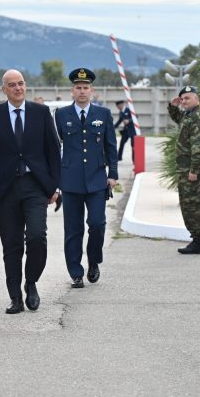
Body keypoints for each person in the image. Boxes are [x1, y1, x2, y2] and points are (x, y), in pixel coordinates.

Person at [0, 69, 61, 314]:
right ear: (4, 89)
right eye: (12, 85)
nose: (17, 88)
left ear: (26, 86)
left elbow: (53, 152)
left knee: (36, 237)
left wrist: (55, 186)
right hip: (5, 189)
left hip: (35, 186)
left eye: (21, 83)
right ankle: (15, 298)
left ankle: (31, 282)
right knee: (11, 246)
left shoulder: (41, 113)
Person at [55, 68, 118, 288]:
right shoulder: (61, 115)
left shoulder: (103, 114)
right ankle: (76, 272)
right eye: (78, 88)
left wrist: (113, 174)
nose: (82, 91)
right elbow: (56, 148)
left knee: (97, 224)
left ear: (92, 90)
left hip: (96, 179)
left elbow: (111, 145)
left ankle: (93, 261)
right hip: (70, 181)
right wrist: (56, 181)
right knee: (73, 229)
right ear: (72, 91)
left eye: (86, 87)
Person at [168, 86, 200, 254]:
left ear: (196, 99)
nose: (184, 101)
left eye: (187, 98)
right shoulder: (189, 115)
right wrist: (173, 106)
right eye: (182, 99)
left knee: (193, 205)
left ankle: (198, 242)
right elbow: (178, 118)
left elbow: (198, 148)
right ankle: (195, 239)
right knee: (187, 204)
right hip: (185, 169)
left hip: (192, 170)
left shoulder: (199, 118)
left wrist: (194, 171)